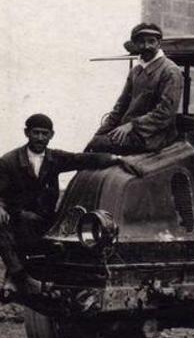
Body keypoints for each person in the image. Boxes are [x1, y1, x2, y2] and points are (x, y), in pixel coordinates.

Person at [0, 114, 139, 298]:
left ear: (51, 135)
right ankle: (19, 277)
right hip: (18, 219)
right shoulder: (9, 161)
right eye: (36, 133)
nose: (40, 138)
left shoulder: (54, 158)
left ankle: (35, 280)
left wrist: (115, 159)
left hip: (46, 221)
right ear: (27, 133)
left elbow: (81, 159)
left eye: (45, 133)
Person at [86, 23, 183, 155]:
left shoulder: (170, 71)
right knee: (94, 144)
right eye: (141, 42)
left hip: (154, 136)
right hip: (131, 131)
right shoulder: (136, 71)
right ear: (135, 44)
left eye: (151, 41)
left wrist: (132, 125)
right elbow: (120, 107)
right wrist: (98, 134)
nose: (146, 46)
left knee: (99, 145)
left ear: (159, 43)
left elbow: (166, 112)